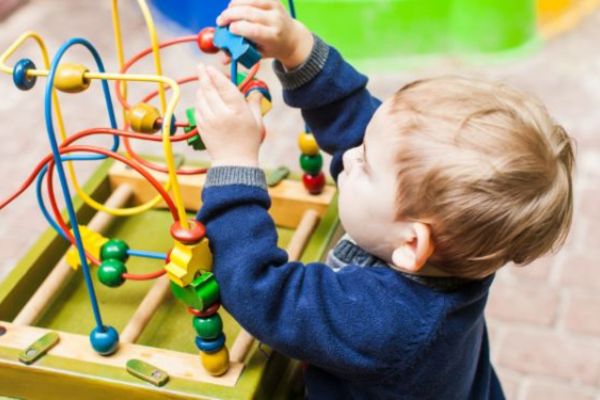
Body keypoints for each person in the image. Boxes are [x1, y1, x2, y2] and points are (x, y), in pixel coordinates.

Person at [194, 1, 575, 398]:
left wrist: (234, 160)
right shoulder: (459, 237)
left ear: (412, 243)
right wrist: (298, 49)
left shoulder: (384, 322)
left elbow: (261, 292)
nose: (352, 153)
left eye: (366, 166)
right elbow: (360, 125)